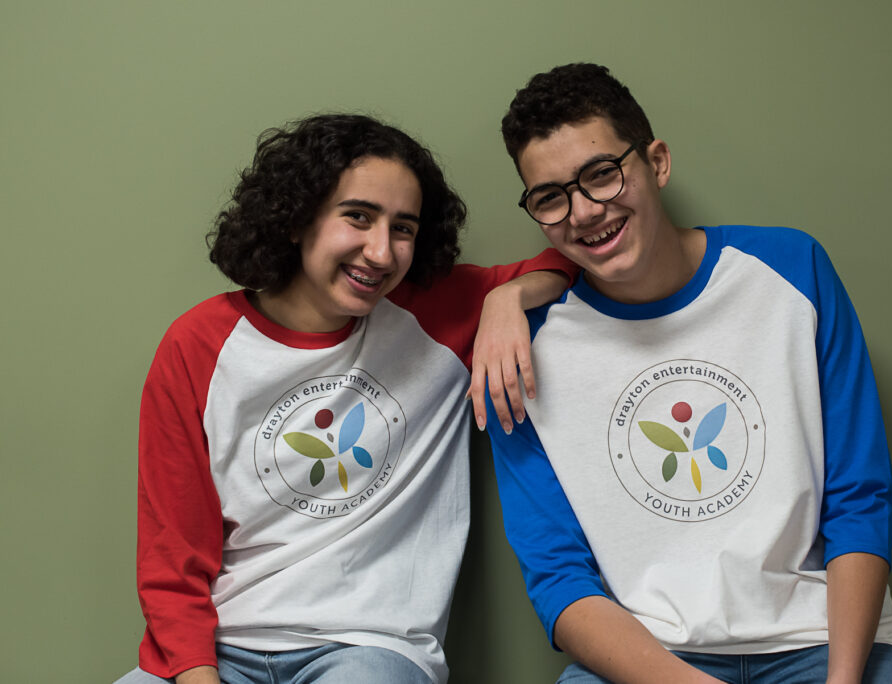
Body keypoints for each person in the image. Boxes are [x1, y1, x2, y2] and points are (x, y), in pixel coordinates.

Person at [484, 63, 892, 684]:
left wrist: (843, 678)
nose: (584, 212)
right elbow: (558, 577)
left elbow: (861, 498)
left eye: (602, 175)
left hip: (830, 641)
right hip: (646, 662)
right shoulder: (516, 352)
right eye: (551, 197)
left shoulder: (792, 272)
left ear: (657, 163)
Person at [115, 113, 574, 684]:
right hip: (220, 648)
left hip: (369, 649)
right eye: (358, 217)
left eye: (402, 228)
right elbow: (172, 558)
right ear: (295, 218)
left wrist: (508, 299)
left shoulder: (432, 316)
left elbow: (574, 259)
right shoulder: (197, 345)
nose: (380, 252)